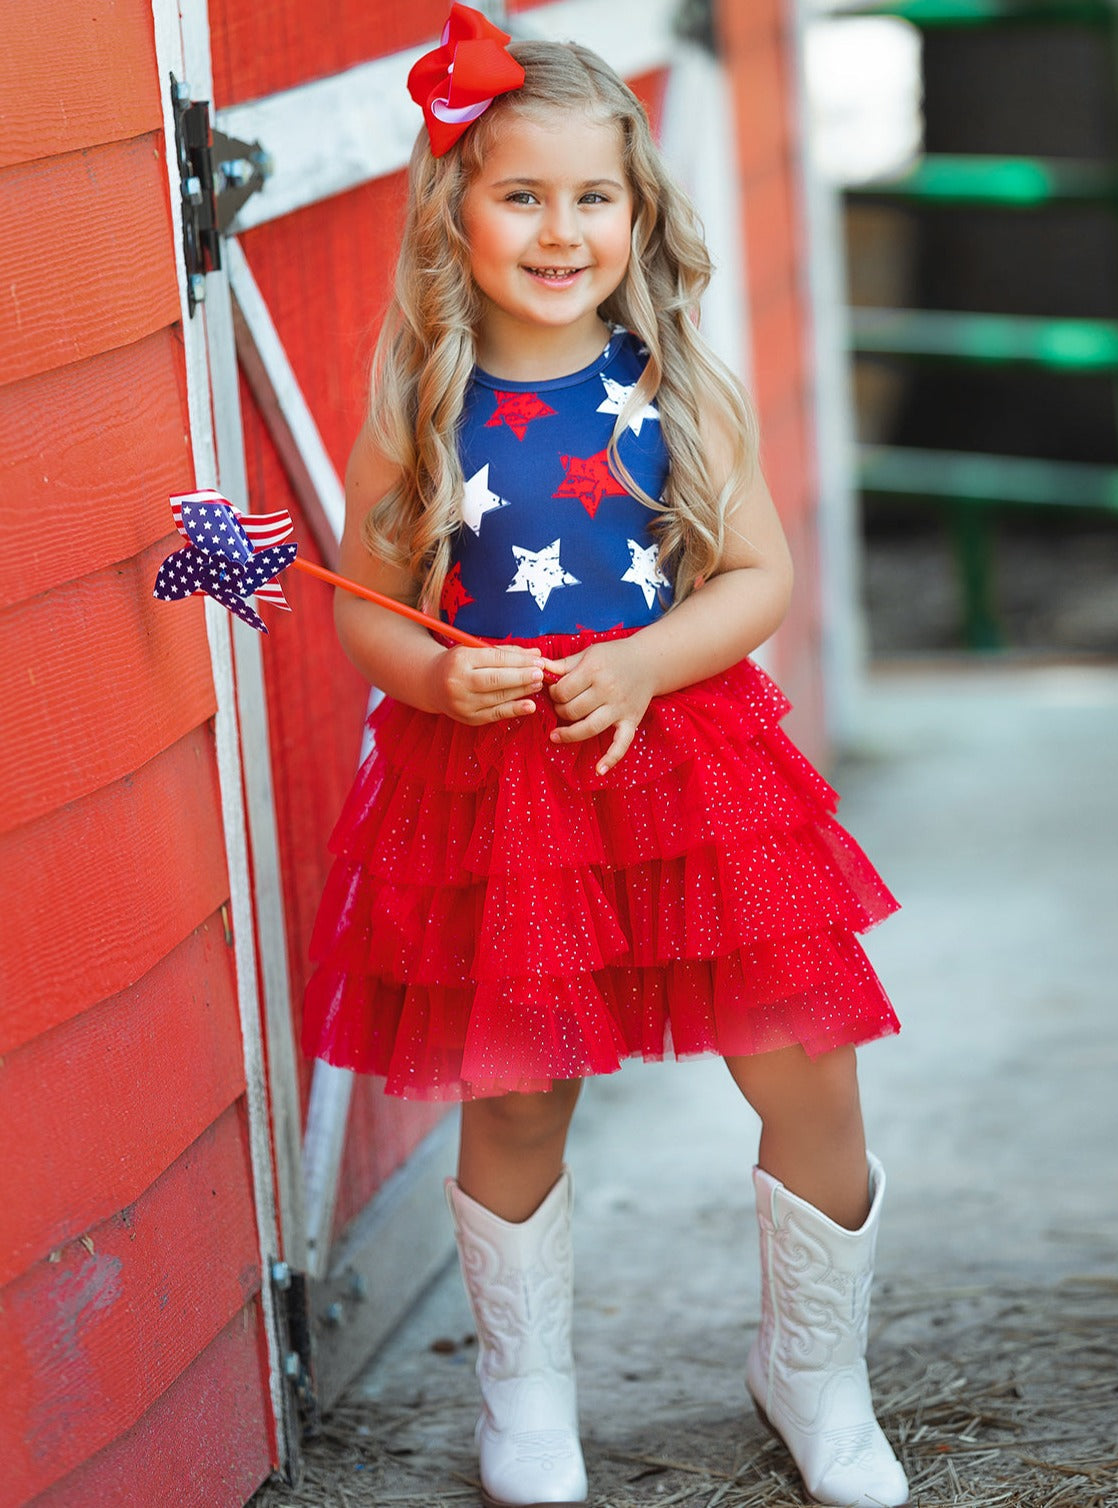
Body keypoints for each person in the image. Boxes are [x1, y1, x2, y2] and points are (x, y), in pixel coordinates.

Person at [303, 7, 909, 1506]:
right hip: (500, 790)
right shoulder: (424, 411)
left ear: (638, 209)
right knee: (513, 1094)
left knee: (810, 1069)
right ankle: (529, 1398)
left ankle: (815, 1373)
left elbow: (755, 579)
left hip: (691, 767)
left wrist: (645, 659)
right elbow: (369, 615)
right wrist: (439, 675)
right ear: (457, 208)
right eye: (522, 194)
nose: (562, 229)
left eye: (595, 196)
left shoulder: (676, 385)